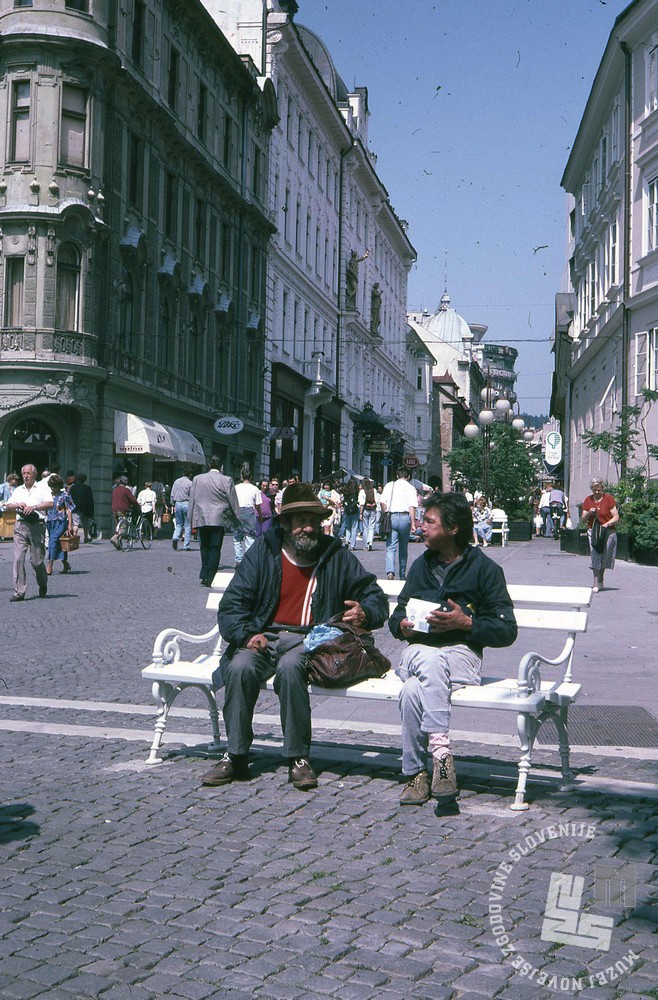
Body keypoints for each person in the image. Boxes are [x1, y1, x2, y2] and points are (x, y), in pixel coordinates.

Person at [200, 483, 389, 791]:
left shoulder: (334, 554)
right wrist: (247, 634)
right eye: (300, 520)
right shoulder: (265, 550)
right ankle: (235, 754)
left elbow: (374, 596)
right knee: (239, 667)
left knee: (290, 668)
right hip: (264, 636)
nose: (308, 527)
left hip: (309, 640)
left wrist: (365, 611)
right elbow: (233, 604)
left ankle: (298, 757)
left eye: (314, 520)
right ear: (285, 524)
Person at [389, 492, 517, 805]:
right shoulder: (422, 566)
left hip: (462, 655)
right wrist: (402, 625)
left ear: (453, 529)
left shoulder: (485, 570)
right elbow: (397, 615)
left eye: (429, 522)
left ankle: (415, 774)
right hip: (419, 652)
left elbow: (506, 630)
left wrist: (466, 623)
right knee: (430, 658)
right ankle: (442, 756)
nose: (421, 526)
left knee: (410, 692)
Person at [189, 456, 241, 587]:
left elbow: (192, 500)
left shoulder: (197, 479)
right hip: (219, 518)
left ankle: (204, 572)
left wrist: (190, 519)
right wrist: (237, 518)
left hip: (201, 516)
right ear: (221, 466)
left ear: (209, 465)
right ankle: (210, 575)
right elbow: (233, 501)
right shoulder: (226, 480)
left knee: (204, 546)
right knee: (215, 547)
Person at [5, 464, 53, 601]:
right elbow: (8, 506)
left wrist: (34, 507)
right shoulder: (18, 490)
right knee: (18, 559)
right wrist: (17, 505)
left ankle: (43, 583)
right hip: (20, 526)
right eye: (24, 473)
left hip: (37, 526)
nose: (25, 476)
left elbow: (50, 503)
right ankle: (19, 592)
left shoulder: (43, 489)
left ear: (34, 475)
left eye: (28, 473)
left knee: (37, 562)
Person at [581, 477, 619, 593]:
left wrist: (607, 524)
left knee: (605, 555)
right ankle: (595, 583)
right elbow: (583, 519)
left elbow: (616, 517)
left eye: (599, 490)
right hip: (594, 531)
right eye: (594, 490)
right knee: (595, 555)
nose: (597, 492)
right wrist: (588, 513)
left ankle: (601, 578)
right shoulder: (588, 500)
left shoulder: (608, 499)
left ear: (602, 488)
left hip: (607, 531)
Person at [379, 467, 418, 580]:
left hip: (392, 517)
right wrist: (413, 523)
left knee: (391, 547)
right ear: (408, 477)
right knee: (403, 547)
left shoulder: (390, 485)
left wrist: (386, 511)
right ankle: (402, 574)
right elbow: (412, 506)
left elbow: (382, 502)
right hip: (405, 517)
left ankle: (390, 572)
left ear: (397, 476)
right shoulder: (411, 488)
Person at [46, 474, 75, 575]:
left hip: (60, 521)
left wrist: (70, 524)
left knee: (52, 541)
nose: (53, 488)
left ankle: (50, 565)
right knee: (59, 544)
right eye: (51, 486)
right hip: (50, 522)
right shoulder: (48, 495)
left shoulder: (64, 495)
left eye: (55, 486)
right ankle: (65, 563)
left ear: (59, 486)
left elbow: (69, 510)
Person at [233, 470, 262, 564]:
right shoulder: (255, 489)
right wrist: (260, 515)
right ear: (251, 477)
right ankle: (248, 560)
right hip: (249, 511)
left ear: (242, 476)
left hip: (238, 511)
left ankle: (238, 559)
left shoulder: (236, 487)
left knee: (237, 537)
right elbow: (257, 505)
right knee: (249, 536)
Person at [110, 475, 140, 549]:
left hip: (114, 510)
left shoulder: (115, 489)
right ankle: (115, 537)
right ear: (125, 482)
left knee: (118, 526)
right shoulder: (126, 490)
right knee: (123, 526)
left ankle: (118, 544)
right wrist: (138, 505)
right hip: (122, 510)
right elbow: (133, 500)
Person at [170, 469, 193, 551]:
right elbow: (192, 496)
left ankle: (175, 537)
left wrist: (172, 504)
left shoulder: (176, 481)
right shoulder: (190, 483)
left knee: (179, 523)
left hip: (178, 503)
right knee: (187, 525)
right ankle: (186, 545)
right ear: (189, 474)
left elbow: (172, 494)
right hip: (187, 503)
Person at [69, 473, 95, 543]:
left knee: (76, 524)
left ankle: (75, 537)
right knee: (85, 524)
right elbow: (90, 500)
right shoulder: (88, 488)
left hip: (75, 508)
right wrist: (92, 512)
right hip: (86, 509)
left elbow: (69, 499)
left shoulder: (73, 488)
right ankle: (86, 537)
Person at [358, 477, 378, 551]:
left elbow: (361, 503)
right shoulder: (374, 490)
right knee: (371, 527)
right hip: (373, 509)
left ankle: (366, 544)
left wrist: (360, 513)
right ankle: (370, 543)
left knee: (365, 527)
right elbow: (377, 500)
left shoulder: (362, 491)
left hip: (365, 510)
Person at [341, 478, 361, 550]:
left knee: (348, 527)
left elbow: (343, 500)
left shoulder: (345, 491)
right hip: (354, 510)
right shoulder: (356, 491)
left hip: (347, 511)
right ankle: (352, 545)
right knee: (354, 528)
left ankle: (346, 541)